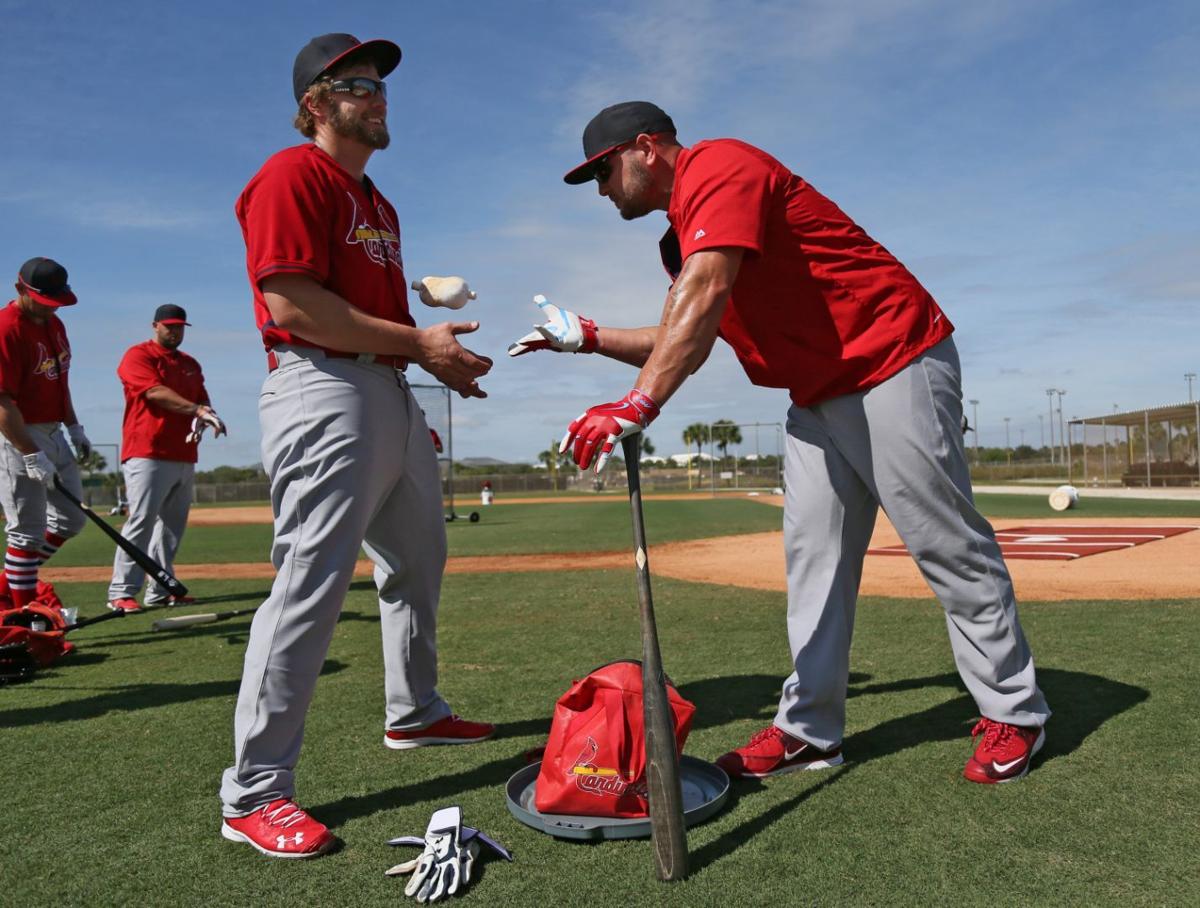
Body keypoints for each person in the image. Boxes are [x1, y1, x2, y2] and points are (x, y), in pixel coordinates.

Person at [516, 101, 1050, 785]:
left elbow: (703, 296)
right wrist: (589, 338)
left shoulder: (720, 165)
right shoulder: (680, 238)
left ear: (647, 148)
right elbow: (689, 331)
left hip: (892, 358)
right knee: (813, 561)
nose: (599, 189)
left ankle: (1017, 713)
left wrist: (639, 402)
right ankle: (811, 730)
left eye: (602, 170)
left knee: (945, 541)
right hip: (815, 395)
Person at [220, 33, 494, 859]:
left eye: (381, 85)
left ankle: (415, 713)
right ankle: (253, 792)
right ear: (316, 102)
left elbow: (368, 311)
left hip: (387, 390)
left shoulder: (376, 201)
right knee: (310, 582)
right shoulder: (290, 174)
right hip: (323, 385)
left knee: (419, 559)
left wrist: (432, 349)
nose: (379, 96)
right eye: (360, 84)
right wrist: (421, 343)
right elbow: (296, 304)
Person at [106, 304, 226, 612]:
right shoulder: (139, 356)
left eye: (180, 327)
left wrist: (205, 414)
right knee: (141, 522)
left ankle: (161, 589)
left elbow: (201, 397)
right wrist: (197, 410)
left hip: (184, 453)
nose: (174, 331)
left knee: (171, 528)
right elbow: (154, 392)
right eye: (169, 326)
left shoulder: (189, 363)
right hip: (147, 451)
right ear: (155, 326)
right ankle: (121, 591)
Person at [0, 258, 90, 607]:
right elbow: (2, 401)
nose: (52, 308)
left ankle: (11, 580)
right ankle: (24, 617)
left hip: (54, 431)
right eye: (45, 300)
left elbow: (59, 381)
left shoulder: (55, 325)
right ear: (20, 288)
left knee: (71, 519)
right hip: (17, 431)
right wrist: (29, 452)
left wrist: (74, 426)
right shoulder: (6, 328)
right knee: (25, 534)